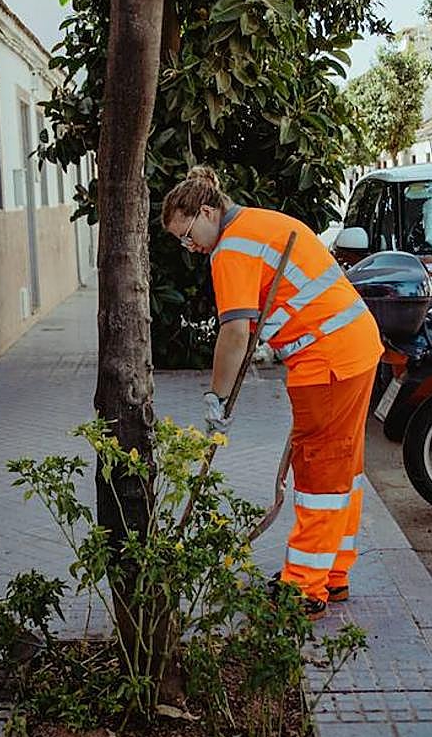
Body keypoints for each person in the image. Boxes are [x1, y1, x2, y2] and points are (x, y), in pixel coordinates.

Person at [161, 167, 383, 618]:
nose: (190, 247)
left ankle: (305, 588)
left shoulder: (232, 249)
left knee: (321, 476)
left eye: (188, 234)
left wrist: (216, 397)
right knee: (342, 468)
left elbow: (235, 332)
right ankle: (333, 575)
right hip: (353, 347)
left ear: (206, 211)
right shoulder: (262, 223)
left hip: (329, 362)